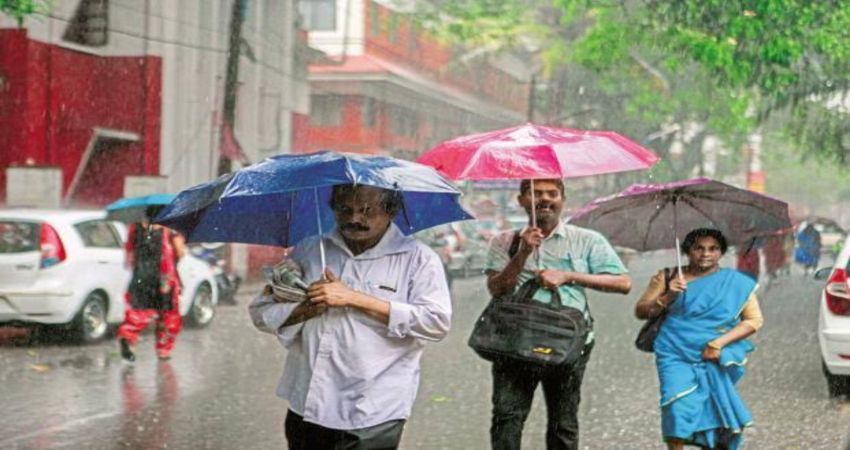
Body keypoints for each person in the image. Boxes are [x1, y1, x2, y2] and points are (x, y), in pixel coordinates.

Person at [249, 184, 451, 450]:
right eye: (345, 210)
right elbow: (261, 312)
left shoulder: (419, 259)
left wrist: (355, 298)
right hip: (308, 402)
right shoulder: (310, 250)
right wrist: (303, 310)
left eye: (367, 210)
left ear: (391, 211)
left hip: (373, 410)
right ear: (333, 209)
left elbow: (436, 322)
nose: (354, 219)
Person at [484, 179, 632, 450]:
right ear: (521, 200)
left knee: (563, 424)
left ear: (562, 200)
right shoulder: (504, 241)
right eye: (536, 193)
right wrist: (522, 254)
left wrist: (568, 276)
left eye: (552, 193)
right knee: (507, 418)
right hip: (514, 343)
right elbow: (497, 289)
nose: (545, 199)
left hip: (568, 345)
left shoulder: (587, 240)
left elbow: (622, 283)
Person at [635, 228, 764, 450]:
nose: (705, 254)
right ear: (687, 251)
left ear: (721, 253)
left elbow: (753, 321)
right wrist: (667, 296)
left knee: (714, 407)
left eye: (713, 249)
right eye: (699, 248)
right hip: (674, 352)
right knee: (676, 404)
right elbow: (641, 311)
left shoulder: (735, 283)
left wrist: (718, 344)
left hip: (713, 354)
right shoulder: (667, 277)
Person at [117, 207, 186, 362]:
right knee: (168, 316)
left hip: (141, 277)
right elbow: (180, 252)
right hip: (164, 278)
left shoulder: (135, 228)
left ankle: (128, 336)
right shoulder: (170, 230)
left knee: (138, 311)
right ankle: (164, 350)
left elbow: (129, 255)